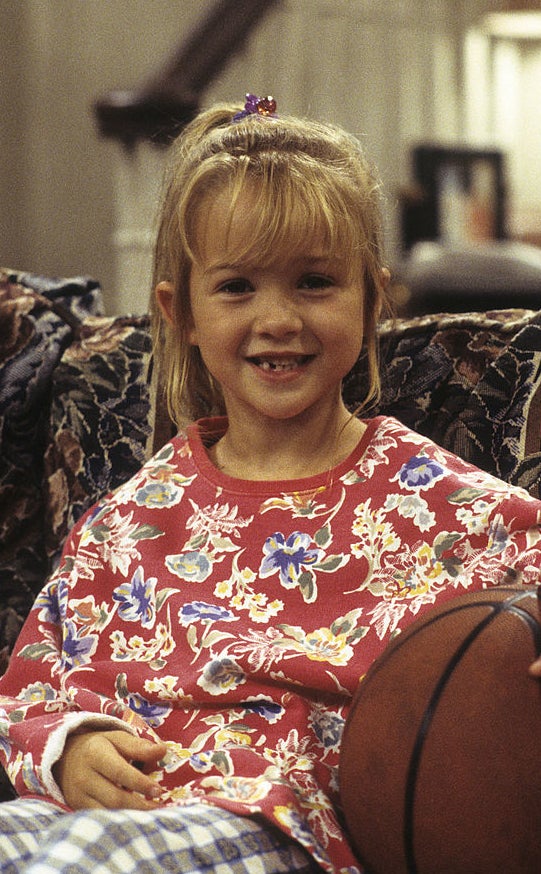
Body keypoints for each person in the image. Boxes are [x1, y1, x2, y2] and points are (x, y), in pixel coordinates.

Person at [0, 92, 540, 874]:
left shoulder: (439, 501)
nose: (278, 318)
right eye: (236, 287)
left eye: (314, 282)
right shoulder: (127, 521)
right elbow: (29, 689)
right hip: (105, 812)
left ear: (372, 299)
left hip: (276, 826)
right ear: (179, 312)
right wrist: (68, 746)